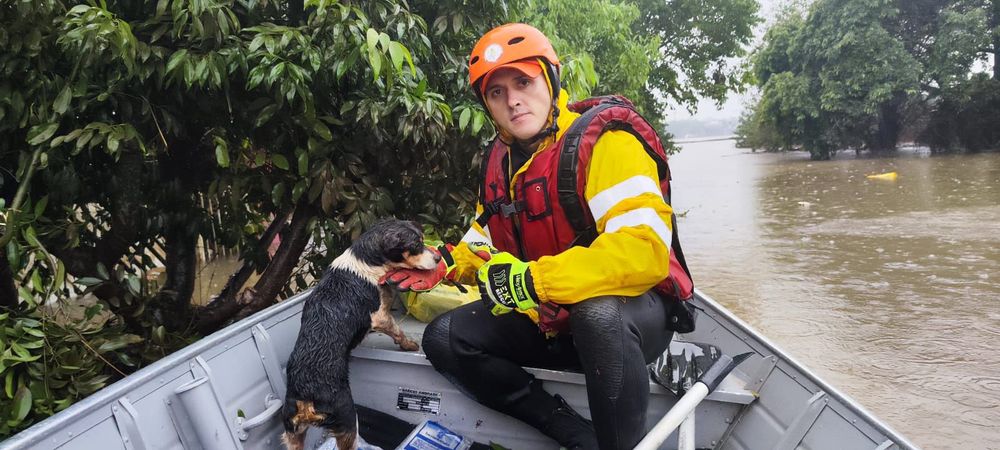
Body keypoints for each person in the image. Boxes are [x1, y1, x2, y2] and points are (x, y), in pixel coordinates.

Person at [383, 23, 694, 450]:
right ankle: (571, 433)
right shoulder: (499, 162)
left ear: (550, 80)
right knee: (444, 337)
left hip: (628, 325)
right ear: (487, 105)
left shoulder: (607, 143)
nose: (512, 100)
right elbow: (484, 237)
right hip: (551, 319)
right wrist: (448, 264)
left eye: (523, 82)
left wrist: (532, 281)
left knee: (597, 314)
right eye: (496, 92)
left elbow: (642, 252)